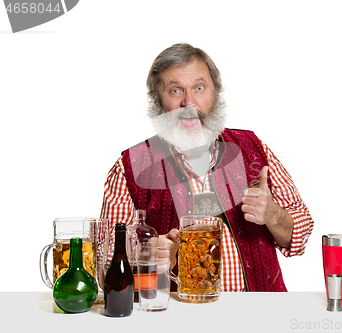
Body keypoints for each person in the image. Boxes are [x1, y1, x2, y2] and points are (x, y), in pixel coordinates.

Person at [100, 43, 314, 292]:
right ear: (157, 100)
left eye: (199, 88)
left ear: (216, 93)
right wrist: (145, 253)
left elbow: (299, 237)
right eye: (175, 91)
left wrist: (273, 215)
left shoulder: (254, 149)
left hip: (259, 313)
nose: (189, 103)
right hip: (174, 318)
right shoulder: (130, 166)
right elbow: (106, 261)